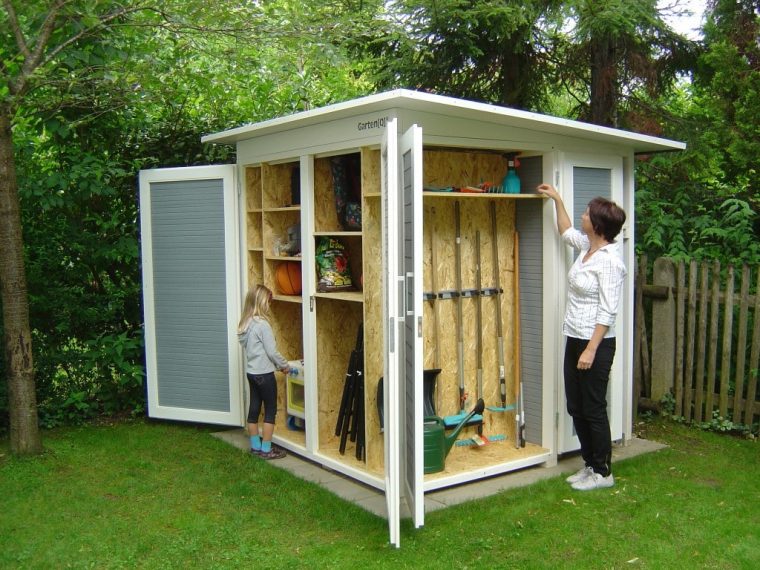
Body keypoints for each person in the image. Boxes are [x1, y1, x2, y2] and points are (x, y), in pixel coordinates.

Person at [537, 183, 627, 491]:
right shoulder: (588, 248)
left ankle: (603, 472)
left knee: (592, 407)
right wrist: (556, 199)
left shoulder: (611, 262)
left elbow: (608, 311)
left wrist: (590, 350)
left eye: (587, 213)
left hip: (596, 345)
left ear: (598, 225)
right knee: (575, 405)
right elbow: (565, 231)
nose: (583, 215)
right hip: (574, 337)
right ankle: (589, 465)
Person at [237, 284, 290, 460]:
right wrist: (284, 365)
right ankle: (267, 449)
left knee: (254, 410)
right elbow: (272, 352)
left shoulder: (245, 324)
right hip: (265, 375)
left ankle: (255, 447)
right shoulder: (262, 325)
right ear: (261, 302)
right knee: (270, 411)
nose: (269, 305)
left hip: (251, 373)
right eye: (268, 301)